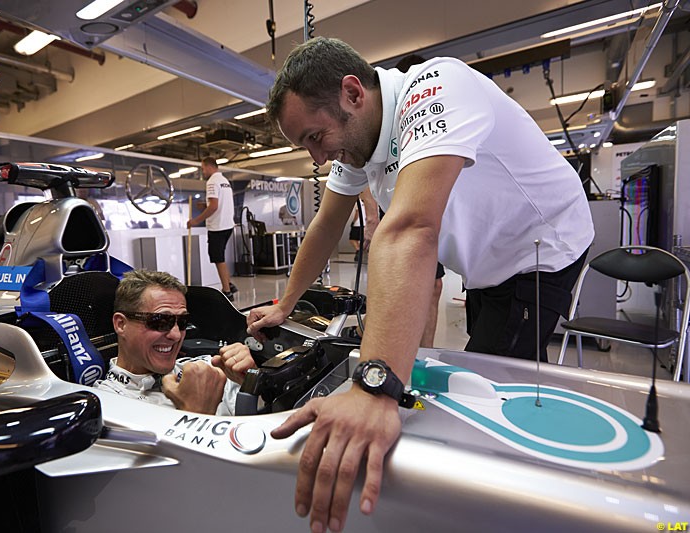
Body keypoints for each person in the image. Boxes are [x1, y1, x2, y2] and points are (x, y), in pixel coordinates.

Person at [246, 37, 593, 531]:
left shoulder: (437, 87)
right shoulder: (357, 143)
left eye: (315, 137)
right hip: (487, 262)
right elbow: (325, 227)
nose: (319, 158)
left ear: (353, 93)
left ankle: (501, 509)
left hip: (541, 249)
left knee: (488, 394)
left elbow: (410, 229)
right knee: (471, 364)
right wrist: (285, 304)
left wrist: (374, 385)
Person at [94, 269, 256, 415]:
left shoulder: (208, 369)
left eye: (182, 322)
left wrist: (250, 381)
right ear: (121, 324)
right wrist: (197, 415)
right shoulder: (105, 405)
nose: (176, 335)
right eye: (160, 321)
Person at [394, 53, 444, 349]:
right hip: (400, 216)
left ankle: (425, 353)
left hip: (429, 218)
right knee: (408, 288)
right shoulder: (389, 129)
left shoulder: (430, 122)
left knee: (434, 286)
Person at [187, 157, 238, 300]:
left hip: (217, 227)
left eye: (203, 168)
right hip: (227, 225)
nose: (203, 172)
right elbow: (218, 203)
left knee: (218, 258)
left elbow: (214, 206)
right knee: (220, 256)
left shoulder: (212, 182)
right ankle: (229, 283)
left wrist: (195, 221)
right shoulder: (225, 181)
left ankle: (227, 291)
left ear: (209, 167)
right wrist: (205, 206)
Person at [347, 189, 379, 262]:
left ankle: (359, 250)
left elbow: (357, 213)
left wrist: (353, 222)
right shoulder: (375, 202)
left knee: (352, 239)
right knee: (365, 240)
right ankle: (364, 253)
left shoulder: (360, 203)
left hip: (358, 224)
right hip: (366, 224)